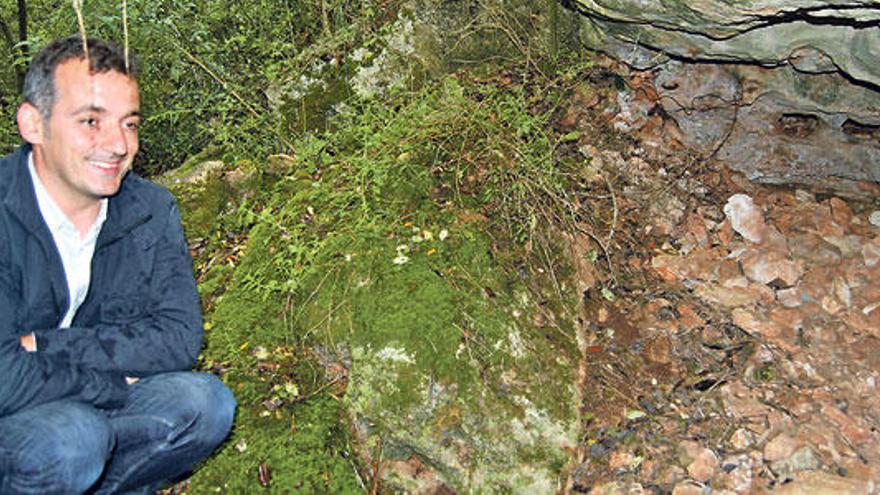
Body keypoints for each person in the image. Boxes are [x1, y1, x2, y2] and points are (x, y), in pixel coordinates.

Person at [0, 36, 235, 494]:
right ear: (33, 123)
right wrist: (110, 386)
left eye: (129, 123)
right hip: (21, 420)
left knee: (204, 403)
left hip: (77, 401)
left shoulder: (150, 208)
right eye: (91, 120)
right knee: (73, 439)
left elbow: (179, 338)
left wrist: (47, 345)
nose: (117, 144)